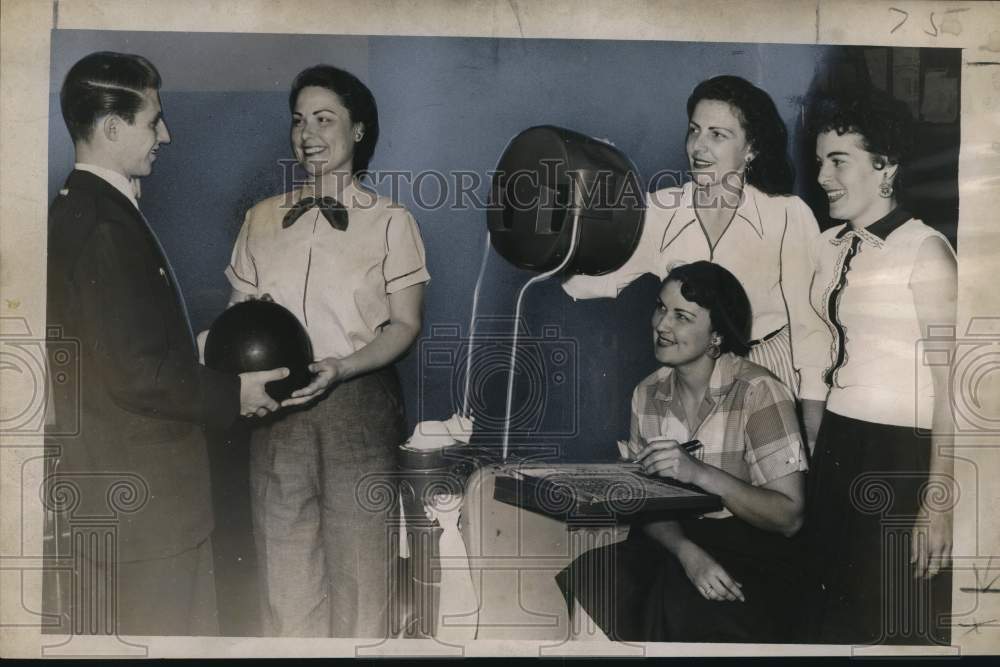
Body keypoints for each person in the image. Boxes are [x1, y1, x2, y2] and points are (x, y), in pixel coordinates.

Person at [45, 51, 285, 636]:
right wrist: (234, 392)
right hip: (148, 515)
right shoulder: (105, 224)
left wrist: (200, 346)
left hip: (122, 507)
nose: (166, 135)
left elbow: (113, 350)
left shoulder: (80, 209)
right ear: (110, 128)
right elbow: (134, 373)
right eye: (154, 121)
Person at [221, 64, 429, 637]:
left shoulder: (391, 221)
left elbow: (405, 325)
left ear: (358, 131)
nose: (308, 133)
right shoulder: (260, 218)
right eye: (298, 120)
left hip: (359, 408)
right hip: (276, 415)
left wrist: (342, 367)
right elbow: (236, 315)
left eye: (324, 118)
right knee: (284, 577)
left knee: (364, 575)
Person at [563, 75, 828, 449]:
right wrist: (588, 205)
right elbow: (586, 284)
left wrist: (813, 431)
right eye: (694, 131)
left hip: (773, 372)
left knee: (769, 502)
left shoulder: (787, 214)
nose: (699, 147)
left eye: (718, 135)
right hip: (692, 378)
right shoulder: (659, 210)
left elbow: (810, 329)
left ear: (750, 148)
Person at [556, 261, 808, 643]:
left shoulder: (759, 392)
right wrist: (687, 553)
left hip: (750, 552)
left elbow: (789, 517)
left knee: (683, 606)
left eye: (682, 316)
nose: (661, 325)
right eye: (660, 307)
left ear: (716, 336)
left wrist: (699, 473)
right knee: (595, 576)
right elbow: (647, 503)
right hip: (672, 540)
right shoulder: (647, 393)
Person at [803, 90, 954, 645]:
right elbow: (817, 360)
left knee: (888, 622)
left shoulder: (925, 251)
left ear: (885, 166)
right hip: (838, 447)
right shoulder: (826, 246)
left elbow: (953, 391)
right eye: (819, 161)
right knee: (829, 621)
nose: (823, 176)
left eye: (839, 160)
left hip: (900, 459)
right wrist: (819, 459)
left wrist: (937, 506)